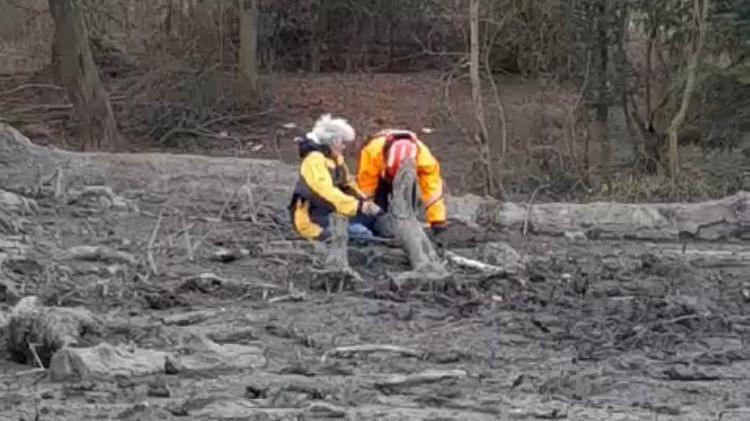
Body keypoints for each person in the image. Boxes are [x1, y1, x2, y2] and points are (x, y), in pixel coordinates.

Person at [289, 114, 382, 240]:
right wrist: (358, 207)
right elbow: (326, 193)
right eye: (343, 142)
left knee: (373, 220)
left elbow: (348, 184)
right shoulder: (314, 160)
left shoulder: (336, 159)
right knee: (362, 235)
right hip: (312, 220)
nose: (344, 147)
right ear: (333, 141)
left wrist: (365, 202)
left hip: (332, 212)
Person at [355, 128, 447, 236]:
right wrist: (370, 207)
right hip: (380, 177)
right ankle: (374, 227)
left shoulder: (425, 161)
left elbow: (433, 192)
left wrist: (438, 221)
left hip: (408, 180)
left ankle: (406, 222)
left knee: (407, 206)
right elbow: (366, 186)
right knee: (377, 207)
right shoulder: (372, 152)